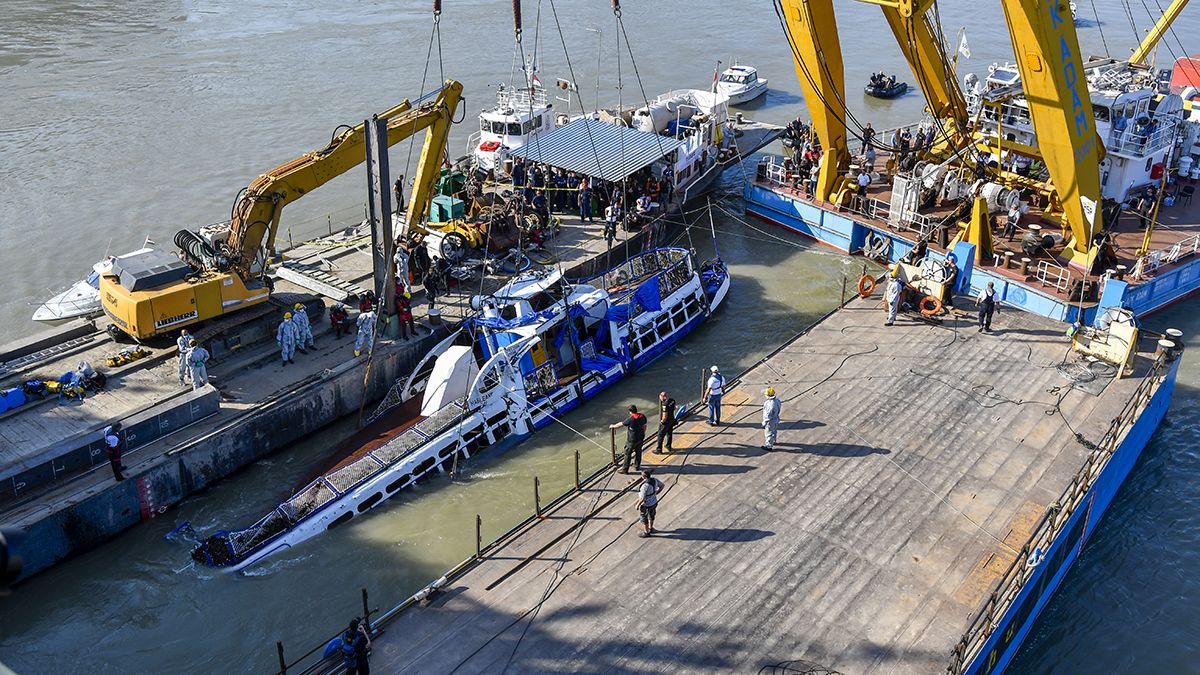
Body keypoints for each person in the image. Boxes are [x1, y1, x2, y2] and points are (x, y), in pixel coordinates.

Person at [609, 405, 648, 474]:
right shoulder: (642, 416)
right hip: (640, 438)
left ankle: (625, 469)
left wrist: (613, 426)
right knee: (638, 452)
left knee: (627, 453)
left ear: (630, 412)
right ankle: (637, 466)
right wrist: (643, 434)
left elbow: (621, 424)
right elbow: (644, 426)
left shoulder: (631, 419)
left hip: (632, 440)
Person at [635, 469, 664, 537]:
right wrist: (657, 492)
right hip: (654, 502)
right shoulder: (654, 480)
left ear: (643, 477)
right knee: (652, 515)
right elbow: (662, 485)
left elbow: (642, 498)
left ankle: (647, 532)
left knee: (644, 518)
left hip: (646, 505)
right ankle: (651, 528)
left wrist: (637, 505)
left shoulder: (644, 486)